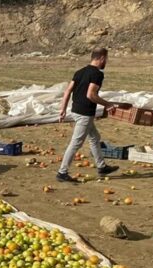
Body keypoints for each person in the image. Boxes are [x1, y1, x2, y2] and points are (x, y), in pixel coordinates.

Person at [57, 47, 126, 182]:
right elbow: (91, 94)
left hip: (76, 110)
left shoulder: (79, 72)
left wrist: (63, 109)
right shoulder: (97, 74)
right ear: (101, 58)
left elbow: (67, 91)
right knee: (76, 143)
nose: (106, 61)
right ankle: (62, 172)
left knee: (94, 137)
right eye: (106, 59)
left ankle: (102, 166)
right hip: (84, 113)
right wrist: (108, 104)